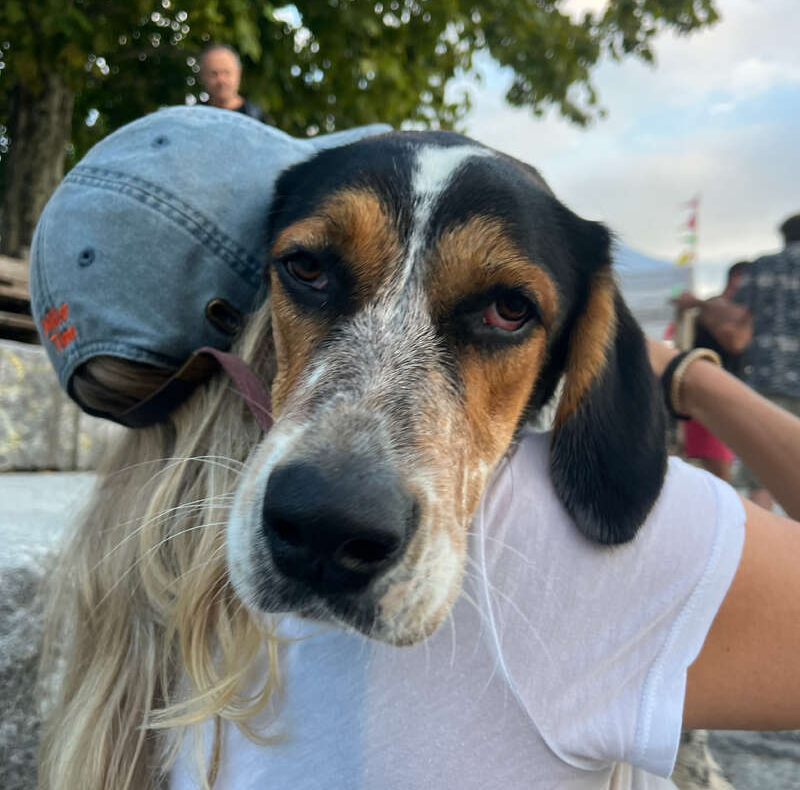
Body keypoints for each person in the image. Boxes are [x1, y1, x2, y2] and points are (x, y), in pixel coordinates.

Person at [31, 109, 800, 790]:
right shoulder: (551, 559)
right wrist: (697, 383)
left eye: (504, 308)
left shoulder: (133, 572)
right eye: (311, 269)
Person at [731, 213, 800, 510]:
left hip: (769, 375)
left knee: (762, 473)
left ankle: (767, 551)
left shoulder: (763, 266)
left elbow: (736, 316)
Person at [671, 263, 751, 482]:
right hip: (710, 397)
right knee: (718, 473)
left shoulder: (720, 307)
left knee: (714, 472)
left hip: (713, 397)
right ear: (736, 278)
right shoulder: (716, 306)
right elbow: (736, 341)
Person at [198, 44, 267, 122]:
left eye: (226, 72)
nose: (221, 80)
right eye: (214, 74)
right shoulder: (194, 118)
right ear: (203, 76)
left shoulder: (257, 118)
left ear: (238, 73)